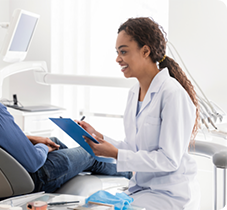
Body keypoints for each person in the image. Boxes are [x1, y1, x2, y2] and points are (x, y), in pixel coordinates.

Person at [0, 28, 132, 195]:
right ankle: (134, 174)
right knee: (89, 152)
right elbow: (33, 162)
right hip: (27, 179)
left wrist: (35, 140)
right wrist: (43, 149)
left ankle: (74, 161)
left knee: (52, 139)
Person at [78, 17, 200, 209]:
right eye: (117, 52)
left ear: (145, 51)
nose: (118, 59)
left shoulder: (172, 94)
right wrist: (99, 137)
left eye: (124, 51)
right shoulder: (134, 92)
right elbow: (134, 147)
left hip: (169, 194)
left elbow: (169, 160)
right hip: (141, 188)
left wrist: (117, 154)